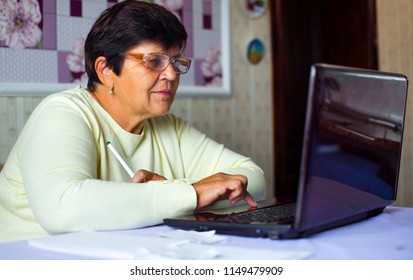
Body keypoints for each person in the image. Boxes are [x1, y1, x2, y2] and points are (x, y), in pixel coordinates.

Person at [0, 0, 266, 243]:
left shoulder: (168, 126)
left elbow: (253, 181)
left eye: (175, 61)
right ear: (105, 70)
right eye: (154, 61)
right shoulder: (63, 112)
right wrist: (191, 193)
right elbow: (62, 208)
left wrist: (172, 192)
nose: (172, 74)